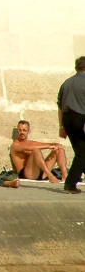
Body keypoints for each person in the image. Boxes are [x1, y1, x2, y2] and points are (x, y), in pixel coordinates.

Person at [58, 56, 85, 194]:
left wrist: (61, 126)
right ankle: (70, 183)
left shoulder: (66, 83)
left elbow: (60, 106)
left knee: (81, 151)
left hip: (67, 120)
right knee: (82, 153)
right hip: (81, 119)